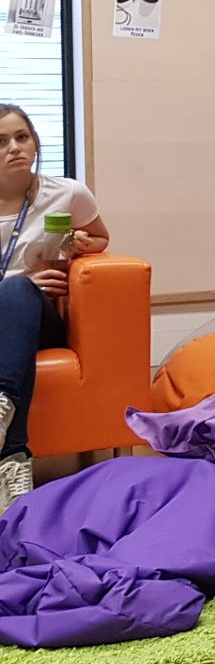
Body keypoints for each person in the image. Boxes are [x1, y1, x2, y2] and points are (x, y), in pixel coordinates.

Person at [0, 104, 111, 512]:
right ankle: (12, 460)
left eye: (22, 137)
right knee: (13, 288)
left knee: (18, 293)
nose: (14, 147)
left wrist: (84, 245)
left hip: (37, 316)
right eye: (1, 141)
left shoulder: (66, 194)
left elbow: (101, 236)